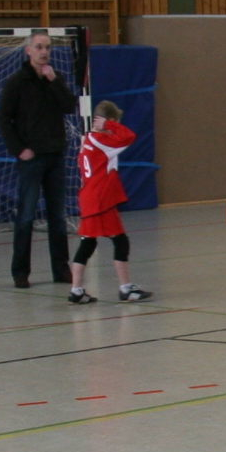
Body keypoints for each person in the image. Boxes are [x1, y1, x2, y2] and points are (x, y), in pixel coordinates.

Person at [0, 30, 77, 288]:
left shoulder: (55, 78)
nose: (44, 52)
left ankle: (61, 269)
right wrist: (19, 149)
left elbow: (69, 106)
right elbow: (3, 119)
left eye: (48, 47)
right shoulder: (17, 82)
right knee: (26, 216)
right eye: (39, 47)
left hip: (55, 156)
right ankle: (20, 271)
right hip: (31, 159)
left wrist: (54, 82)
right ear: (28, 50)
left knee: (58, 217)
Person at [68, 100, 153, 304]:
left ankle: (76, 290)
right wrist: (109, 125)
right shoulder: (102, 141)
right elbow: (129, 136)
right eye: (115, 123)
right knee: (120, 241)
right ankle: (126, 288)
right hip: (101, 200)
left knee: (87, 243)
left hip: (88, 198)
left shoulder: (87, 139)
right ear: (110, 121)